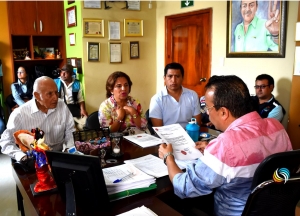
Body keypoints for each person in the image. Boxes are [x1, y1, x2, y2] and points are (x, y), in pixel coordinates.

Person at [158, 75, 292, 216]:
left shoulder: (225, 145)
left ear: (223, 112)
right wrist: (214, 150)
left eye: (208, 108)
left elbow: (184, 187)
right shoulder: (277, 127)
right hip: (276, 210)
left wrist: (168, 157)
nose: (207, 113)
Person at [0, 76, 75, 162]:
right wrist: (22, 157)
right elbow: (6, 142)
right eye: (49, 94)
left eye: (56, 92)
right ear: (37, 96)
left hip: (57, 158)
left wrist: (68, 150)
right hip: (32, 160)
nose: (55, 98)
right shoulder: (19, 114)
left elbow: (70, 131)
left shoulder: (62, 105)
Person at [149, 62, 201, 128]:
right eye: (170, 76)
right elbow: (159, 129)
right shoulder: (157, 99)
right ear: (164, 78)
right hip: (167, 136)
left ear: (182, 78)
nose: (173, 80)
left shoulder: (192, 95)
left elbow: (197, 124)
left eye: (177, 76)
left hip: (189, 133)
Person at [54, 64, 88, 130]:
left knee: (86, 122)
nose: (62, 75)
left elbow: (80, 99)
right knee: (65, 127)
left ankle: (77, 129)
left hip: (73, 108)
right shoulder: (56, 82)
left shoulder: (77, 83)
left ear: (71, 74)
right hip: (60, 108)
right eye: (61, 72)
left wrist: (82, 109)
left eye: (65, 73)